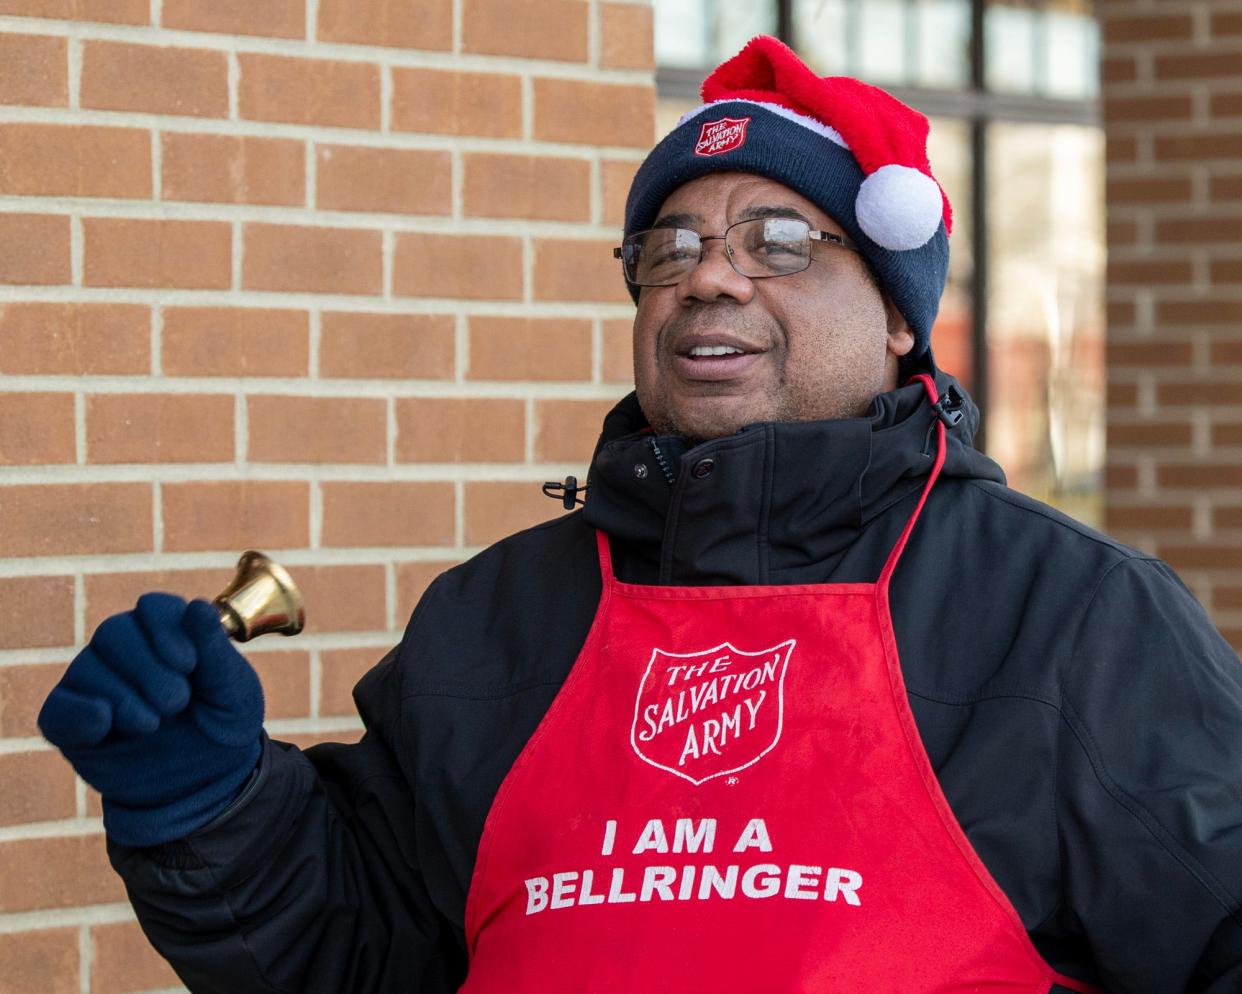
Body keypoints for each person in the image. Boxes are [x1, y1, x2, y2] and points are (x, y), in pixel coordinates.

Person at [37, 36, 1242, 994]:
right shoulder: (494, 619)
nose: (708, 274)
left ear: (894, 317)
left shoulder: (1070, 621)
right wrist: (209, 802)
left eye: (778, 239)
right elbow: (362, 952)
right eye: (668, 247)